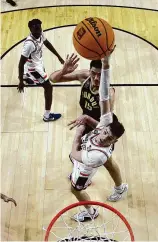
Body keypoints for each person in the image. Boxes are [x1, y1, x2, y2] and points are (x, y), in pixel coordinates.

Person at [49, 54, 125, 202]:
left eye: (100, 75)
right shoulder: (84, 76)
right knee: (81, 153)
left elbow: (104, 124)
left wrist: (86, 120)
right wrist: (64, 70)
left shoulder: (108, 93)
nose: (96, 78)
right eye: (93, 73)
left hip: (103, 128)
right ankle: (85, 176)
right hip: (87, 122)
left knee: (107, 162)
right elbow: (53, 78)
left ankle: (120, 188)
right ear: (89, 71)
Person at [66, 53, 128, 222]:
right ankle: (121, 187)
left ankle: (90, 212)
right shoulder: (105, 123)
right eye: (105, 133)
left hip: (86, 162)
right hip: (89, 140)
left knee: (75, 189)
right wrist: (106, 63)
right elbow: (104, 94)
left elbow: (74, 154)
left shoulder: (96, 155)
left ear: (113, 142)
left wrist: (79, 132)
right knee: (102, 159)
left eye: (108, 137)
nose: (103, 136)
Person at [17, 19, 64, 122]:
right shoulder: (29, 44)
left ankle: (26, 76)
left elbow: (47, 43)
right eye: (36, 28)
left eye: (39, 28)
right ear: (30, 29)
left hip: (38, 63)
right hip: (33, 68)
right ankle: (47, 116)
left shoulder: (40, 33)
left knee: (41, 79)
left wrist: (58, 56)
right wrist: (20, 82)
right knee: (48, 87)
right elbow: (20, 64)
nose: (38, 31)